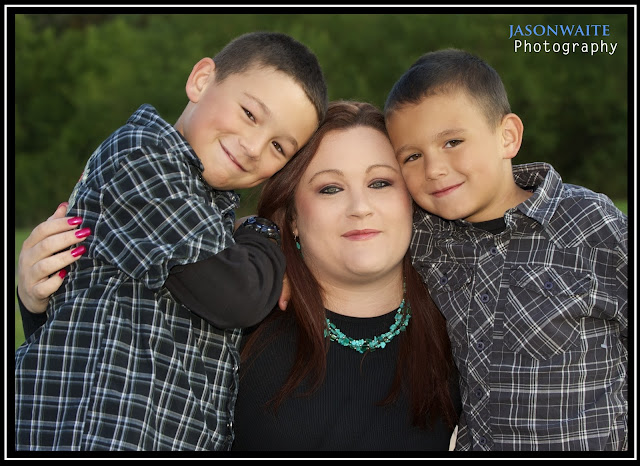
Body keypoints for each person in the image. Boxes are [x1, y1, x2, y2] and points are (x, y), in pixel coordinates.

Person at [16, 101, 461, 451]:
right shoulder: (234, 314)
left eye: (381, 183)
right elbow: (99, 383)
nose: (359, 207)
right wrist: (39, 304)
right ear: (292, 218)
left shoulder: (463, 321)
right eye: (329, 188)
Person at [14, 30, 328, 451]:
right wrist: (263, 235)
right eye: (250, 114)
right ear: (201, 80)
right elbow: (238, 297)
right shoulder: (141, 155)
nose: (254, 147)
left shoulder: (210, 210)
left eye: (278, 146)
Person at [382, 48, 628, 451]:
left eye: (452, 142)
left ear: (507, 136)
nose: (434, 169)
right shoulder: (422, 236)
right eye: (412, 156)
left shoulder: (589, 222)